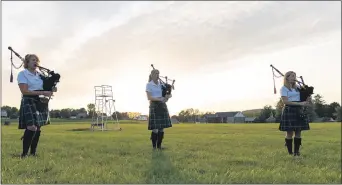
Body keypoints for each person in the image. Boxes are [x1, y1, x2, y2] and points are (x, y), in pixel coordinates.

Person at [17, 54, 57, 158]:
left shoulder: (39, 75)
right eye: (32, 60)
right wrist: (43, 92)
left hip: (40, 101)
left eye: (36, 60)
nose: (35, 62)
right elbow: (24, 91)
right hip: (28, 100)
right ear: (27, 63)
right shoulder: (23, 74)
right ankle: (24, 154)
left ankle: (33, 153)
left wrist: (51, 87)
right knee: (32, 127)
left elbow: (46, 87)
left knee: (38, 128)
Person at [279, 71, 311, 156]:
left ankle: (296, 152)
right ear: (287, 78)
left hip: (299, 110)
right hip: (289, 110)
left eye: (295, 76)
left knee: (298, 131)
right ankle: (290, 152)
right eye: (292, 76)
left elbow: (305, 99)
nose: (294, 78)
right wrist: (300, 104)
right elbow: (285, 101)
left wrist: (308, 94)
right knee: (289, 132)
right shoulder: (284, 88)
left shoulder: (298, 87)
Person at [145, 69, 172, 150]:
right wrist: (160, 99)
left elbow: (167, 93)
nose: (157, 75)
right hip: (154, 106)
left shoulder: (161, 85)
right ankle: (154, 147)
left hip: (162, 106)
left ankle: (159, 146)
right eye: (156, 73)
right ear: (152, 75)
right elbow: (149, 97)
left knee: (161, 128)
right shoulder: (149, 84)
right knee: (155, 129)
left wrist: (168, 96)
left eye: (158, 73)